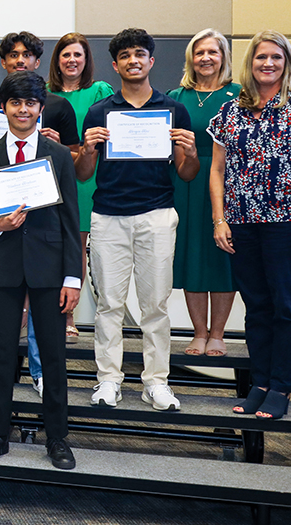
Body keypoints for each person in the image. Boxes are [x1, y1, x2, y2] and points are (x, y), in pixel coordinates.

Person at [211, 30, 291, 420]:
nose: (268, 64)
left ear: (287, 63)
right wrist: (220, 219)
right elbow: (217, 170)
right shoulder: (232, 110)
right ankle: (261, 382)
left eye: (276, 58)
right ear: (250, 64)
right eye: (260, 58)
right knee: (257, 307)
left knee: (287, 307)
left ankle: (282, 386)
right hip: (243, 223)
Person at [76, 28, 199, 411]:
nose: (133, 60)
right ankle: (109, 379)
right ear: (115, 65)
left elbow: (188, 173)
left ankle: (156, 382)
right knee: (109, 304)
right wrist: (88, 149)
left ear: (151, 61)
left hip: (157, 215)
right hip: (108, 216)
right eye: (125, 55)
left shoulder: (173, 110)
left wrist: (191, 152)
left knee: (155, 305)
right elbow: (82, 174)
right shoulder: (101, 111)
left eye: (140, 54)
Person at [0, 71, 80, 470]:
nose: (23, 110)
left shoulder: (60, 155)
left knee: (52, 357)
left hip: (50, 269)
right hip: (4, 269)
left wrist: (73, 277)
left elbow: (70, 221)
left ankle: (58, 438)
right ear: (4, 108)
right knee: (0, 357)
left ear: (40, 109)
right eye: (15, 103)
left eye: (30, 103)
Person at [167, 29, 240, 357]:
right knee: (193, 254)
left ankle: (219, 333)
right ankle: (199, 332)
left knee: (222, 257)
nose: (206, 58)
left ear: (223, 56)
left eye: (213, 52)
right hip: (186, 182)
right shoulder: (176, 97)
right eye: (200, 53)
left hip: (228, 182)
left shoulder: (241, 95)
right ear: (191, 59)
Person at [47, 32, 116, 341]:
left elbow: (107, 138)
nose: (72, 60)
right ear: (56, 61)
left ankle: (68, 316)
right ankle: (55, 313)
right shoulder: (44, 93)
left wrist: (65, 146)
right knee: (55, 250)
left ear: (87, 60)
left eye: (78, 55)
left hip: (88, 178)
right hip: (52, 180)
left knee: (77, 249)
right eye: (66, 55)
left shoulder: (100, 90)